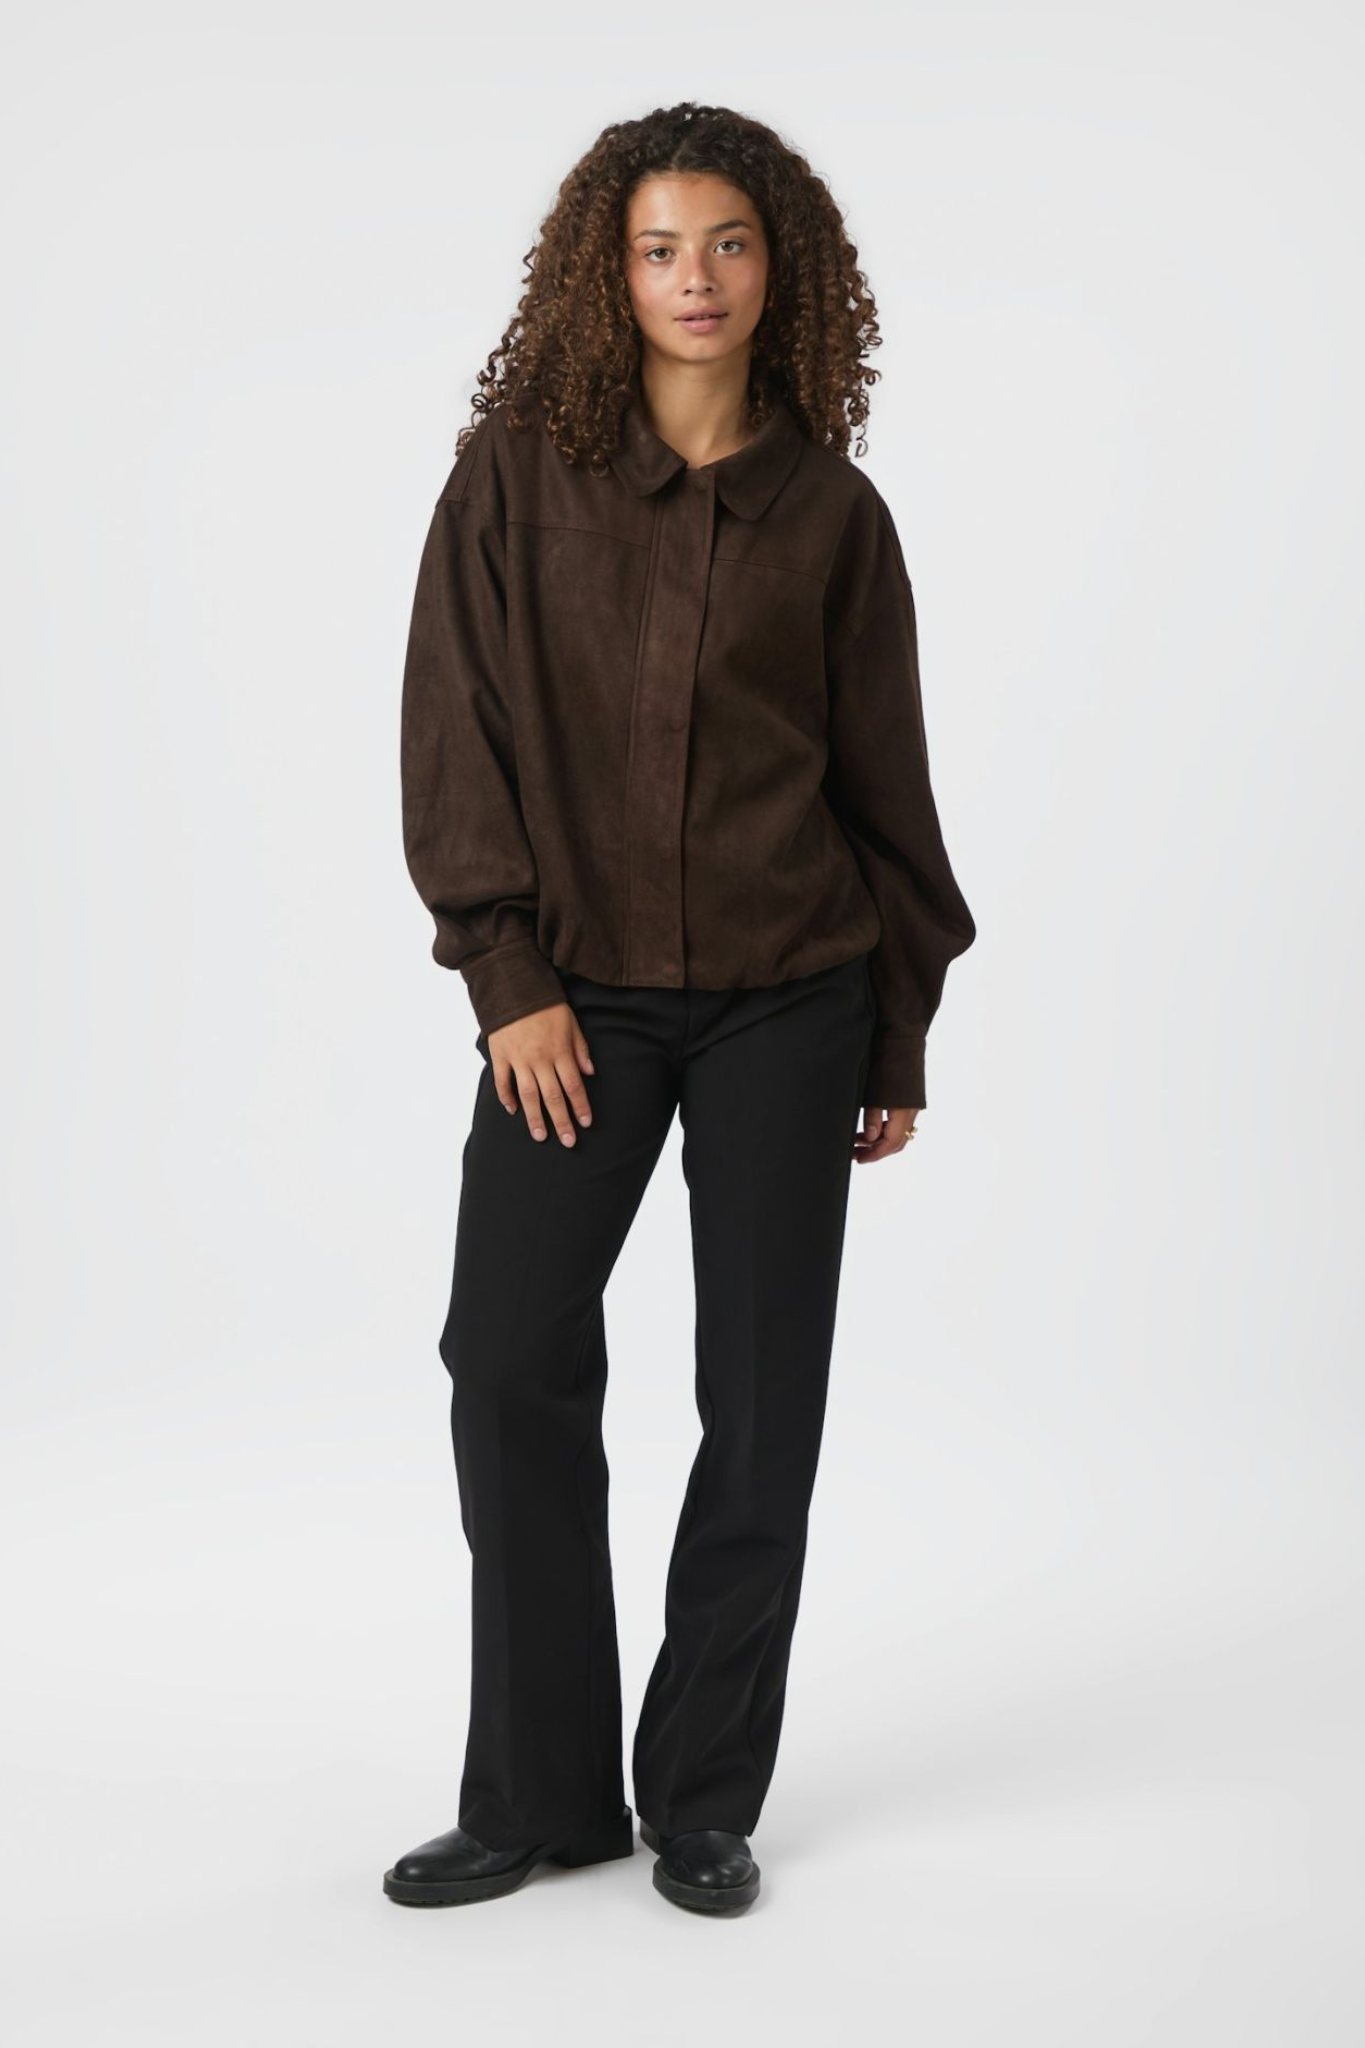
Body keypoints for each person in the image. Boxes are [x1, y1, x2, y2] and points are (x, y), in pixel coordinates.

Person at [384, 100, 976, 1916]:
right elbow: (454, 730)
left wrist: (894, 1032)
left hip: (793, 1002)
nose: (694, 278)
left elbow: (884, 790)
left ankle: (703, 1796)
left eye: (726, 243)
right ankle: (540, 1794)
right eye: (658, 249)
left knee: (761, 1393)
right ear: (608, 274)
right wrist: (508, 979)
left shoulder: (836, 518)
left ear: (780, 268)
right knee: (507, 1357)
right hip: (575, 1006)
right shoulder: (513, 479)